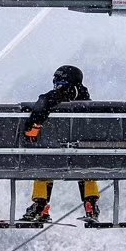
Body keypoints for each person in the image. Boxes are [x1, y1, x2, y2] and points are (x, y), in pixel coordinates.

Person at [19, 64, 101, 224]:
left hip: (57, 154)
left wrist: (33, 123)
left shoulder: (65, 94)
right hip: (81, 155)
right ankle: (90, 204)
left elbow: (45, 101)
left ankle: (40, 204)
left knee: (44, 163)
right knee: (86, 167)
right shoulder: (86, 102)